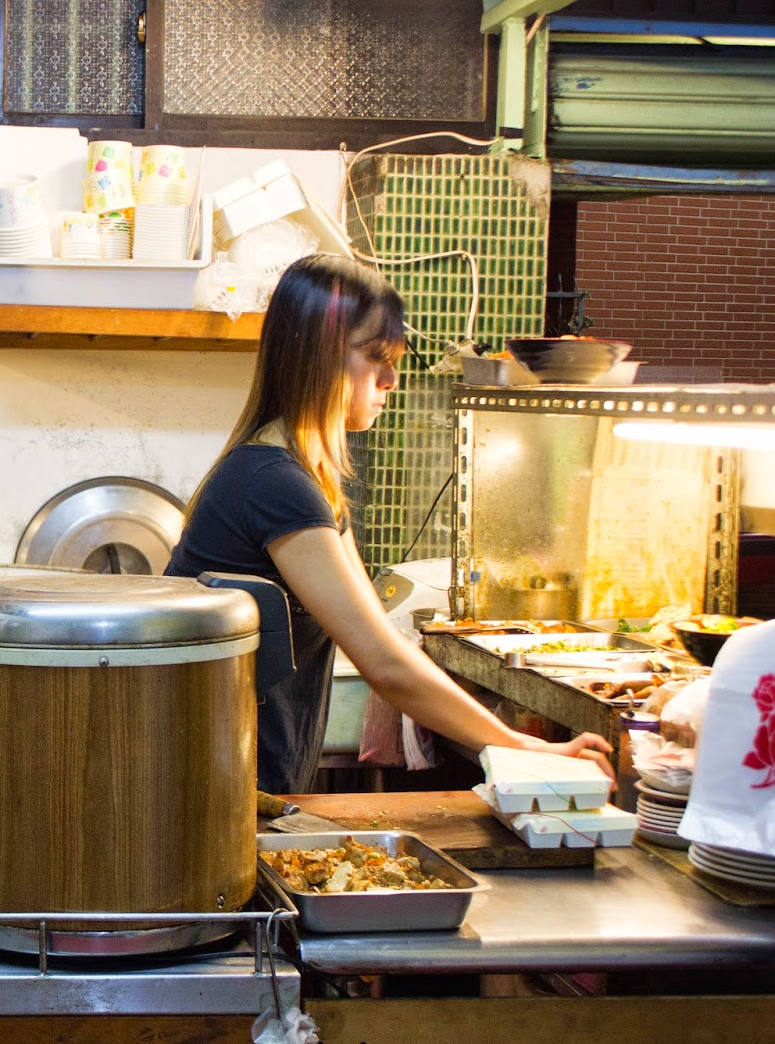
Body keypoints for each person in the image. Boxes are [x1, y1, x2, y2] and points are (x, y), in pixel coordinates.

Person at [165, 255, 613, 795]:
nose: (391, 380)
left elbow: (375, 632)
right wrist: (524, 747)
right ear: (319, 356)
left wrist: (508, 742)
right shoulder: (274, 483)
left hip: (244, 784)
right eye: (376, 357)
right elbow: (383, 664)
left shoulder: (307, 478)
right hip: (222, 788)